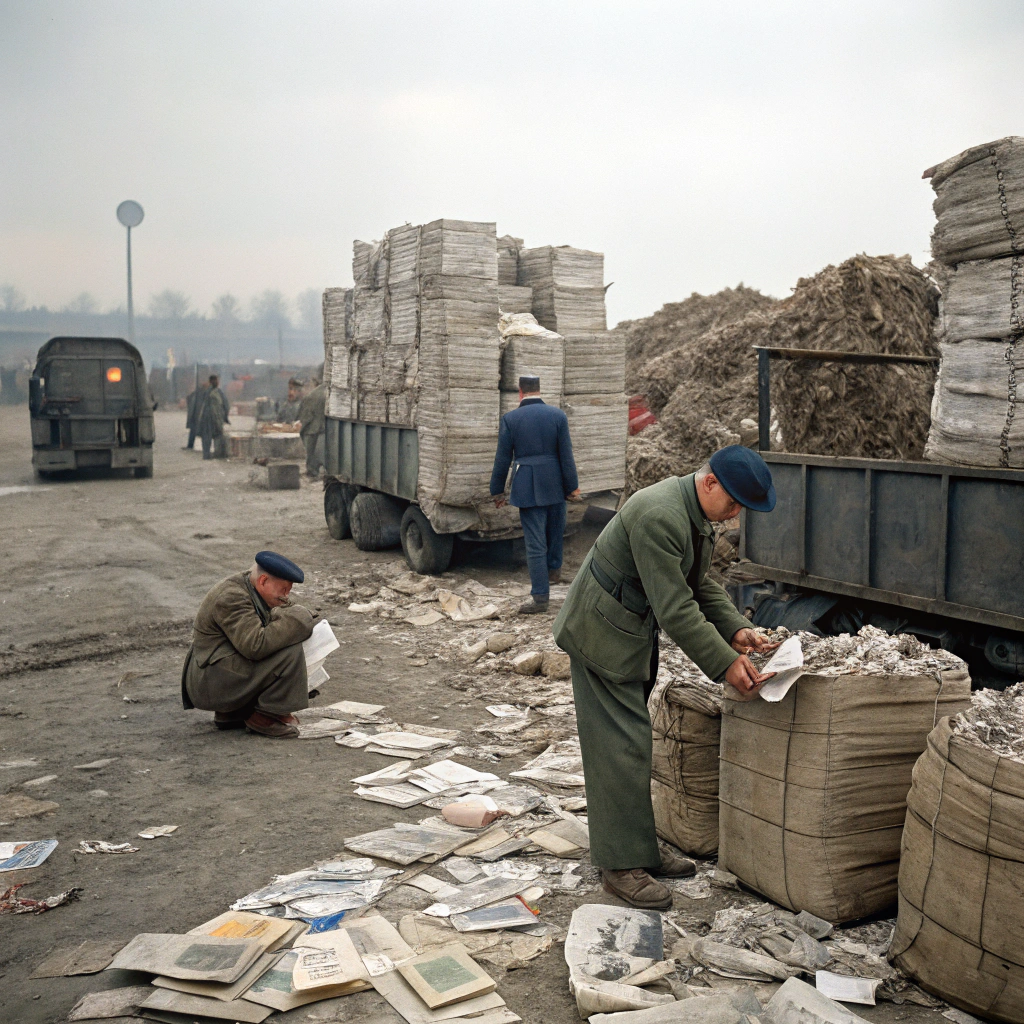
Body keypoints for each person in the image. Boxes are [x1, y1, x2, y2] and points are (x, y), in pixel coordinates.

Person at [553, 445, 781, 910]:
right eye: (734, 503)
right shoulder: (661, 515)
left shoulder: (692, 511)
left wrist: (735, 628)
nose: (735, 516)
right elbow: (676, 607)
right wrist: (726, 663)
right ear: (710, 482)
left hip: (626, 630)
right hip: (601, 634)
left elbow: (697, 584)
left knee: (631, 744)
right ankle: (620, 867)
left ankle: (637, 848)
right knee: (620, 749)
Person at [181, 551, 316, 738]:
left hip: (219, 673)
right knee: (290, 651)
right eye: (284, 589)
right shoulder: (231, 596)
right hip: (209, 684)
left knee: (286, 636)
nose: (286, 595)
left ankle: (233, 712)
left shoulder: (252, 586)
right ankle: (265, 716)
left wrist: (296, 618)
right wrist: (298, 620)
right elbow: (255, 645)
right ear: (263, 581)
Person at [489, 375, 582, 615]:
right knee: (555, 533)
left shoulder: (510, 419)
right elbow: (566, 454)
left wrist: (497, 491)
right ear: (540, 389)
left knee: (535, 543)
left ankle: (540, 598)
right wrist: (572, 486)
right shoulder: (558, 416)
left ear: (520, 392)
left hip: (527, 486)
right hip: (555, 483)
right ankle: (553, 572)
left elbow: (502, 459)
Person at [195, 374, 230, 459]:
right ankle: (216, 454)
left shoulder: (207, 392)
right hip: (213, 418)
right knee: (216, 436)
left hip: (208, 418)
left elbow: (200, 406)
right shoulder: (217, 392)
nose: (216, 382)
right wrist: (224, 417)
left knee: (208, 437)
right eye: (216, 380)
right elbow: (226, 405)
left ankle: (207, 455)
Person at [298, 377, 327, 478]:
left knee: (311, 453)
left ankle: (312, 472)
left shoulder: (311, 396)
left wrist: (301, 429)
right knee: (322, 452)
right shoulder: (326, 392)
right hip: (325, 428)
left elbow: (307, 416)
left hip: (311, 429)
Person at [183, 381, 204, 450]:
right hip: (196, 416)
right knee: (195, 431)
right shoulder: (196, 394)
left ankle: (190, 446)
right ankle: (192, 446)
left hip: (196, 416)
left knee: (195, 431)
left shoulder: (197, 394)